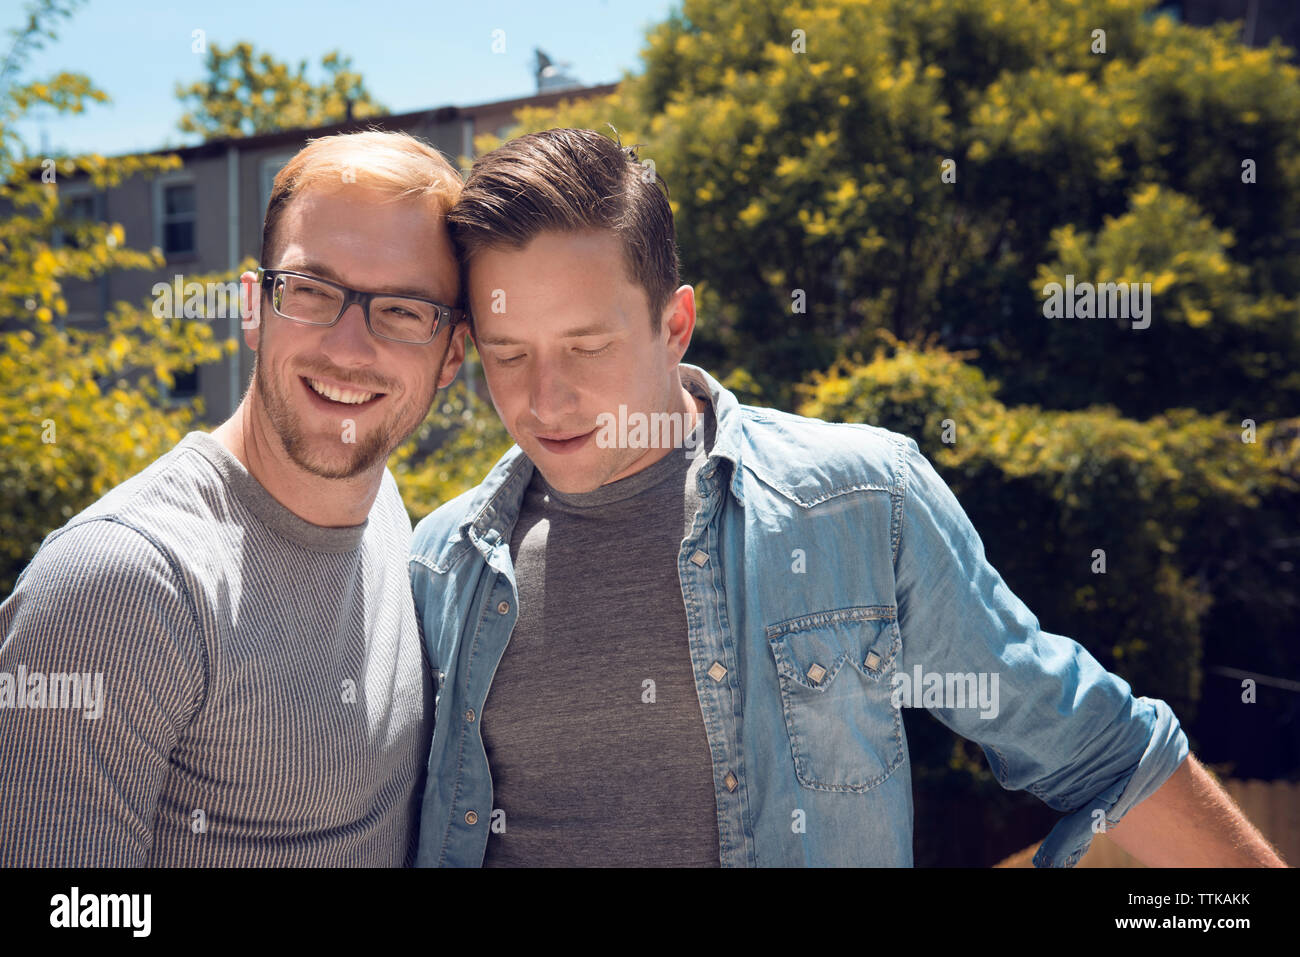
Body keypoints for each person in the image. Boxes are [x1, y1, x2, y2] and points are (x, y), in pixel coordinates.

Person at [408, 127, 1285, 868]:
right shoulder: (436, 566)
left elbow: (1105, 754)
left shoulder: (862, 503)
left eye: (586, 347)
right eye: (508, 353)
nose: (544, 399)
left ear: (674, 324)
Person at [0, 130, 467, 866]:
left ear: (452, 355)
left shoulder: (383, 508)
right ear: (254, 306)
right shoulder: (123, 585)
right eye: (311, 290)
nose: (348, 349)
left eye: (404, 310)